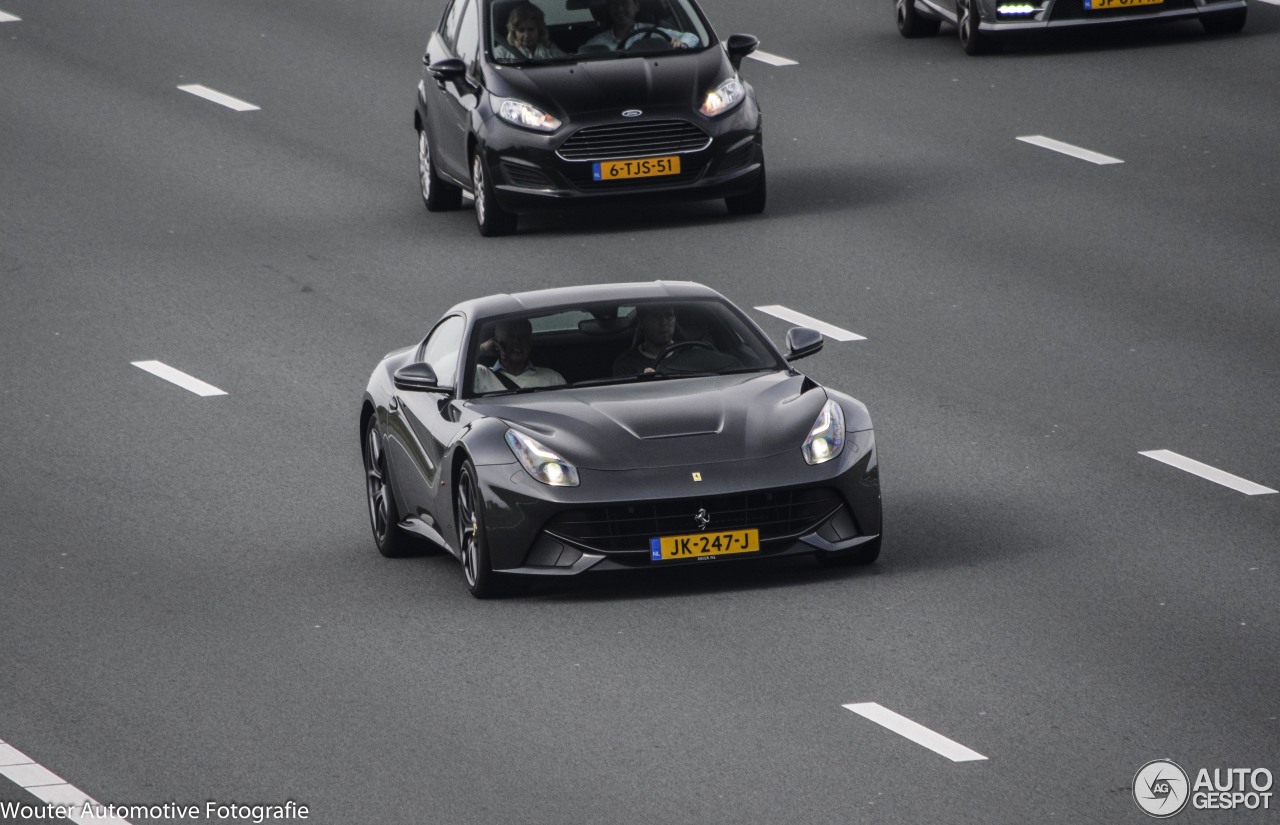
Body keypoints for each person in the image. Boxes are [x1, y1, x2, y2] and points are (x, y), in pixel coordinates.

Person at [474, 317, 567, 392]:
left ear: (530, 344)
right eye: (510, 336)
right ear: (497, 342)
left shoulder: (553, 378)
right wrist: (481, 349)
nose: (516, 341)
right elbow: (459, 367)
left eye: (523, 337)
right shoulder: (479, 374)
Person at [580, 0, 699, 51]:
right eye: (615, 4)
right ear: (609, 9)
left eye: (625, 3)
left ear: (636, 6)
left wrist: (682, 44)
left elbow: (692, 37)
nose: (620, 9)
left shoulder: (652, 32)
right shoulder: (598, 42)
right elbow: (580, 57)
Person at [612, 304, 677, 376]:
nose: (664, 322)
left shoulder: (688, 354)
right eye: (655, 316)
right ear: (641, 321)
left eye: (669, 316)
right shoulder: (626, 364)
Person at [492, 2, 569, 61]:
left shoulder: (550, 52)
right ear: (514, 31)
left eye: (531, 29)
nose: (526, 35)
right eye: (521, 30)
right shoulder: (501, 53)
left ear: (539, 29)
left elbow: (568, 61)